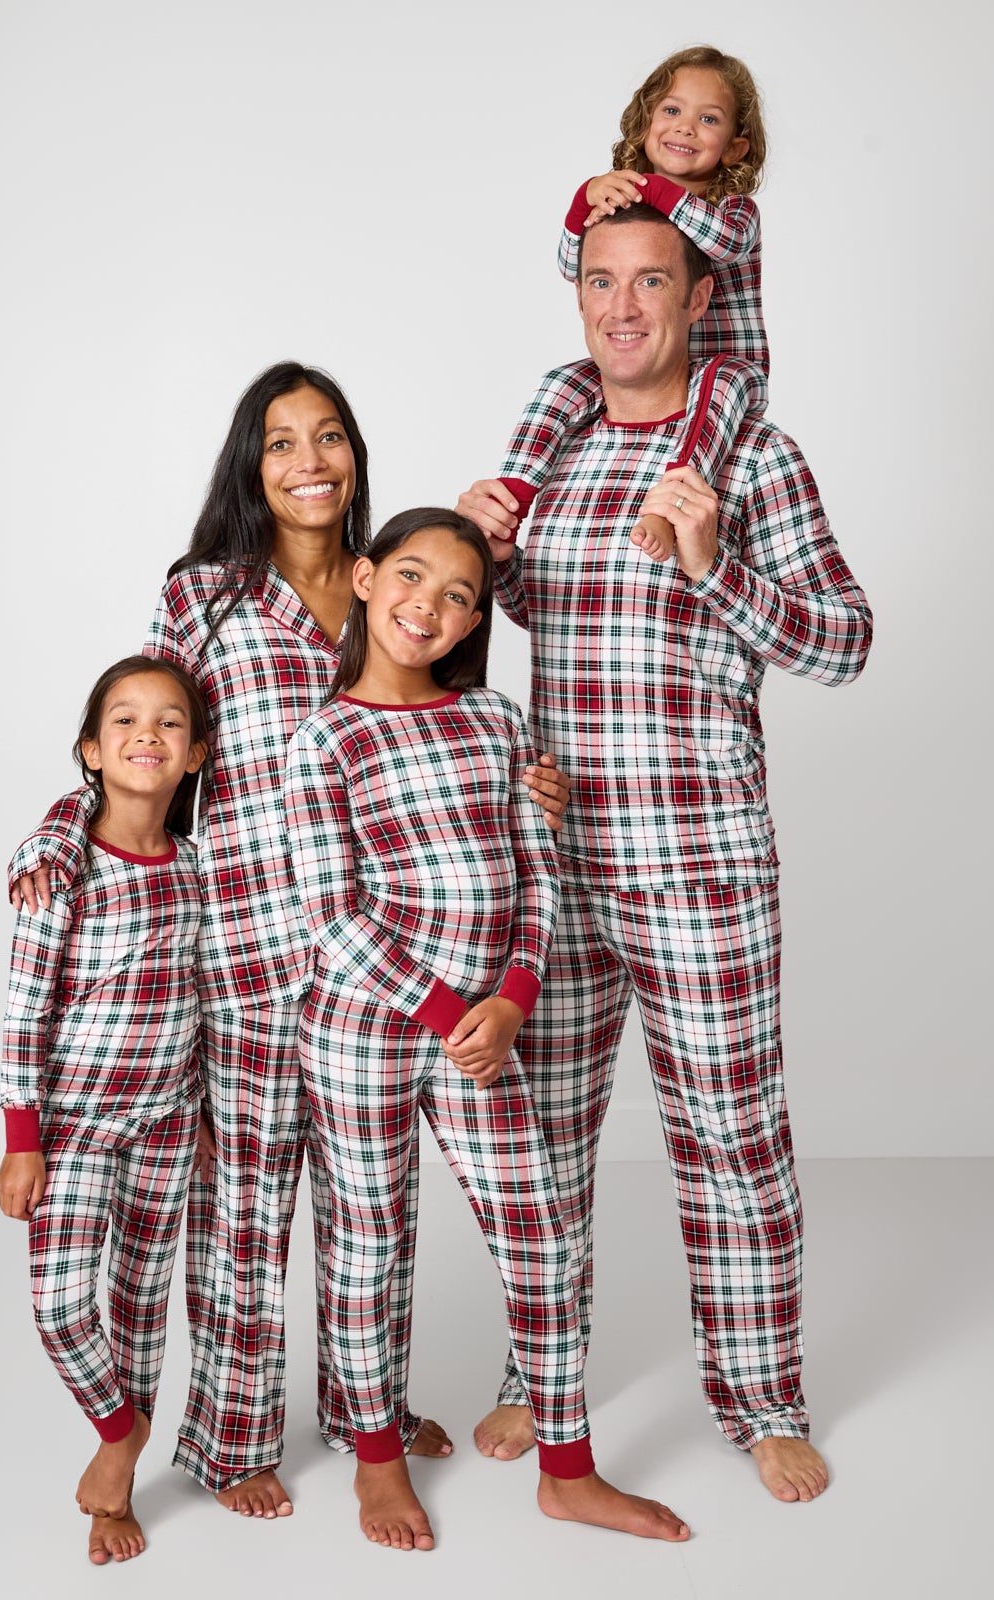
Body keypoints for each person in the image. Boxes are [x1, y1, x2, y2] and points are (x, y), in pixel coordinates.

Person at [8, 363, 570, 1517]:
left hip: (390, 957)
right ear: (249, 465)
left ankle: (362, 1406)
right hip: (251, 954)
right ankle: (230, 1439)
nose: (308, 460)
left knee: (376, 1205)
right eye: (279, 442)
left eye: (328, 438)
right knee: (250, 1210)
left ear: (355, 457)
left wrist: (525, 782)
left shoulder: (396, 583)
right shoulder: (207, 597)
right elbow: (141, 736)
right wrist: (60, 832)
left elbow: (440, 725)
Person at [457, 204, 872, 1504]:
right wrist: (482, 547)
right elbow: (519, 617)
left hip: (698, 860)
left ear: (701, 300)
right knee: (544, 1134)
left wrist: (714, 565)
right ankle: (541, 1377)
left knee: (731, 1135)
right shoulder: (558, 454)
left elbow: (845, 641)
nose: (623, 306)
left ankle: (762, 1398)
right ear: (576, 296)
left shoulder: (750, 452)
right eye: (601, 280)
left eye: (652, 282)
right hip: (559, 860)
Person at [283, 507, 690, 1550]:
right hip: (365, 1027)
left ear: (474, 621)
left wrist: (508, 999)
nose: (431, 604)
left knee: (544, 1235)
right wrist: (442, 1007)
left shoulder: (498, 723)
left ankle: (568, 1467)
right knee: (367, 1243)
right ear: (367, 581)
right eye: (412, 577)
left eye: (459, 594)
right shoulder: (325, 736)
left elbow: (538, 873)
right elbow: (332, 914)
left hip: (487, 1029)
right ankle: (375, 1461)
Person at [0, 655, 211, 1565]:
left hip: (167, 1119)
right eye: (124, 721)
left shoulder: (197, 868)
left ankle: (115, 1484)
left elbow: (200, 995)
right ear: (91, 749)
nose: (147, 736)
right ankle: (119, 1431)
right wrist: (23, 1140)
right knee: (60, 1308)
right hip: (77, 1124)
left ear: (196, 753)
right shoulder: (63, 868)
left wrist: (200, 1103)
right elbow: (24, 1008)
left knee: (138, 1305)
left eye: (169, 723)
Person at [499, 45, 769, 559]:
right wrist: (586, 201)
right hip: (648, 366)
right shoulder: (629, 200)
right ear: (644, 125)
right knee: (562, 383)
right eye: (671, 111)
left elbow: (723, 242)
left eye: (707, 118)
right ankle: (514, 494)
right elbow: (569, 262)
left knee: (710, 402)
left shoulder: (735, 211)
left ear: (734, 148)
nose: (685, 127)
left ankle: (670, 511)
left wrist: (659, 192)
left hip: (726, 366)